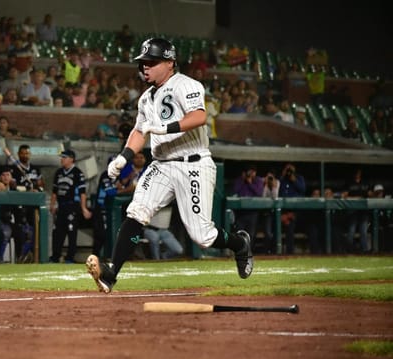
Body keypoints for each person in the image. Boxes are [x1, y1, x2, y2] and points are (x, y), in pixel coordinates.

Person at [85, 37, 253, 293]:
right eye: (143, 63)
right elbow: (140, 131)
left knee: (203, 236)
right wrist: (124, 157)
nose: (145, 68)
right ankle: (111, 274)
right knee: (137, 211)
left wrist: (165, 127)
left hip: (193, 163)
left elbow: (199, 117)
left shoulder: (187, 84)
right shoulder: (145, 99)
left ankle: (240, 244)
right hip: (162, 164)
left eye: (151, 62)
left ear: (170, 62)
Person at [49, 149, 92, 263]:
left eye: (64, 157)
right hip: (61, 207)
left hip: (72, 206)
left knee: (72, 232)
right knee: (58, 232)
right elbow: (54, 191)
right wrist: (52, 205)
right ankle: (55, 256)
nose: (62, 159)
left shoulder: (78, 173)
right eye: (61, 157)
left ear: (71, 159)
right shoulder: (58, 173)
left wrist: (83, 208)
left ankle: (70, 257)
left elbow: (83, 193)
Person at [232, 164, 264, 249]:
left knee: (251, 234)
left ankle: (248, 251)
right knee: (239, 233)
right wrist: (243, 180)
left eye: (252, 172)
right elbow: (236, 191)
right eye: (249, 172)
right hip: (240, 212)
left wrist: (250, 183)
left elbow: (259, 193)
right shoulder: (240, 180)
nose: (250, 174)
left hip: (252, 212)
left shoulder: (258, 180)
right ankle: (239, 251)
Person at [278, 163, 306, 254]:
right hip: (281, 211)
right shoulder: (282, 180)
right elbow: (278, 192)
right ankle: (274, 252)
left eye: (291, 169)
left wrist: (294, 180)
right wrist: (283, 176)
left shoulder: (299, 178)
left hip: (296, 211)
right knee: (274, 226)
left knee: (290, 226)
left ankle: (290, 253)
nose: (289, 171)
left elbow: (302, 190)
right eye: (287, 169)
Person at [342, 168, 371, 253]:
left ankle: (364, 249)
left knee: (363, 230)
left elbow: (369, 194)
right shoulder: (349, 182)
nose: (357, 174)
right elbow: (344, 196)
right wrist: (356, 198)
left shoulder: (365, 182)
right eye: (356, 173)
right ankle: (349, 249)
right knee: (351, 229)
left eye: (358, 172)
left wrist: (375, 194)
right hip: (352, 210)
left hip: (363, 210)